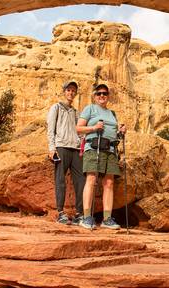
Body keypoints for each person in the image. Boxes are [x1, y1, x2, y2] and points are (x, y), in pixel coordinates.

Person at [76, 83, 126, 230]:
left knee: (109, 182)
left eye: (104, 93)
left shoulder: (112, 114)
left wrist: (121, 132)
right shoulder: (89, 109)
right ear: (95, 96)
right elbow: (78, 128)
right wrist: (93, 128)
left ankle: (107, 218)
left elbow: (114, 134)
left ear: (108, 96)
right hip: (93, 147)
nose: (102, 96)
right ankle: (86, 217)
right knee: (91, 179)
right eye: (99, 94)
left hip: (111, 150)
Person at [47, 80, 83, 225]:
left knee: (81, 180)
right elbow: (51, 129)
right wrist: (52, 148)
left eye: (73, 91)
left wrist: (82, 146)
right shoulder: (56, 107)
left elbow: (79, 131)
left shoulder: (75, 112)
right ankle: (60, 212)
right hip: (61, 147)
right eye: (68, 90)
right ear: (64, 92)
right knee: (60, 180)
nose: (71, 93)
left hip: (75, 148)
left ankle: (79, 213)